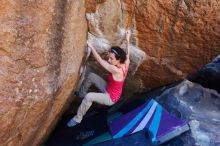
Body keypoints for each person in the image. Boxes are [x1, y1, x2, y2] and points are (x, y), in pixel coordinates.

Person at [67, 30, 131, 127]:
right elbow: (127, 53)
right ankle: (81, 93)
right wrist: (127, 39)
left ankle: (77, 119)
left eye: (111, 59)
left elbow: (100, 60)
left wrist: (91, 46)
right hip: (110, 88)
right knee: (91, 76)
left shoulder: (115, 70)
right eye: (109, 57)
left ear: (118, 60)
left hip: (110, 98)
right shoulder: (125, 62)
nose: (109, 60)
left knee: (89, 97)